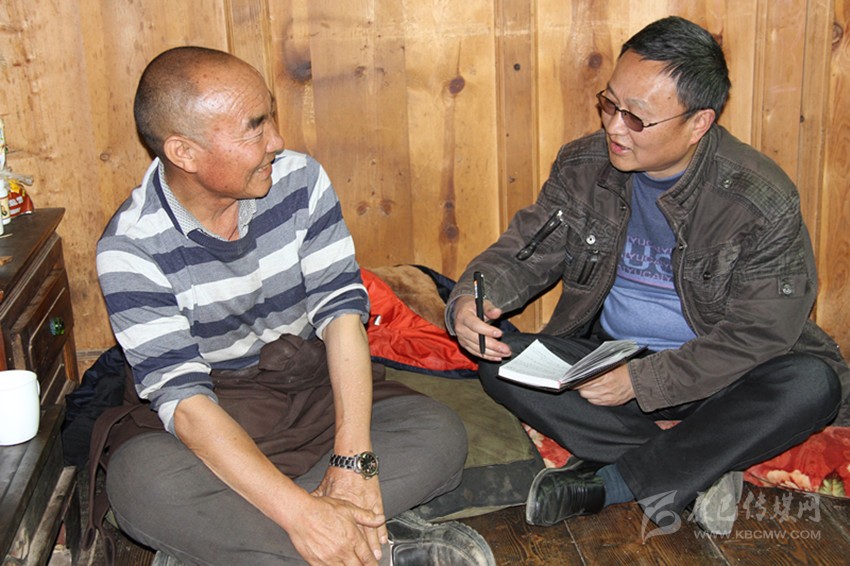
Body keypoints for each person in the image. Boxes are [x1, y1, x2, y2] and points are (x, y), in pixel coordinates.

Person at [448, 16, 849, 535]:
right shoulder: (584, 166)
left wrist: (644, 382)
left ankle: (612, 483)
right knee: (501, 363)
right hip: (613, 358)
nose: (614, 127)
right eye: (609, 104)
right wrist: (472, 298)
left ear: (699, 123)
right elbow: (524, 252)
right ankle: (704, 462)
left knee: (811, 384)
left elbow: (759, 335)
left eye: (636, 118)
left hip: (725, 376)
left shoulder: (759, 199)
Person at [96, 46, 495, 566]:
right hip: (213, 413)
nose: (276, 142)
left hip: (311, 392)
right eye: (254, 129)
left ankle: (244, 546)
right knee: (141, 483)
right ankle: (375, 550)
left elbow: (342, 316)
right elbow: (187, 406)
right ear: (184, 153)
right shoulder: (131, 247)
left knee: (437, 434)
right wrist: (303, 515)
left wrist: (351, 457)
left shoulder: (299, 180)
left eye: (271, 117)